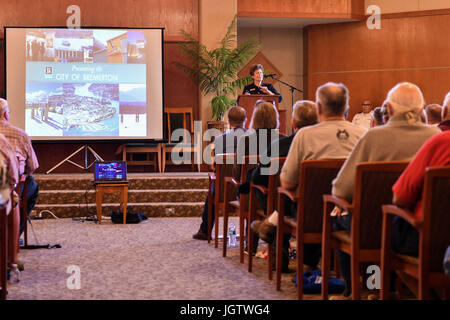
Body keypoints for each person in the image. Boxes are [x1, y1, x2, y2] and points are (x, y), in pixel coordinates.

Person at [331, 82, 441, 299]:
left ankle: (358, 287)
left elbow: (341, 189)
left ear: (388, 110)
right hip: (425, 227)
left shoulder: (373, 138)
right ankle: (385, 285)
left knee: (339, 215)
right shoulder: (435, 137)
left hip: (373, 229)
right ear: (422, 110)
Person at [253, 82, 366, 272]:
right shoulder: (363, 135)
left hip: (311, 215)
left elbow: (287, 182)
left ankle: (276, 232)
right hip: (350, 211)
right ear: (346, 107)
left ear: (319, 108)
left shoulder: (305, 136)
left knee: (289, 194)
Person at [250, 100, 318, 272]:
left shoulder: (279, 145)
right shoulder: (322, 147)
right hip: (319, 204)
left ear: (293, 122)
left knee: (277, 196)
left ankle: (279, 260)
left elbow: (258, 177)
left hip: (281, 202)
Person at [193, 106, 247, 240]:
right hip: (246, 190)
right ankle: (250, 235)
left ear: (229, 121)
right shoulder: (254, 139)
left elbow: (215, 165)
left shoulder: (220, 140)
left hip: (224, 190)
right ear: (245, 120)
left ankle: (205, 231)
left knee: (213, 186)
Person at [236, 101, 281, 255]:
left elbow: (238, 170)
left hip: (252, 194)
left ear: (255, 118)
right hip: (279, 193)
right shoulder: (283, 139)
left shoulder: (246, 140)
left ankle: (251, 245)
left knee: (250, 187)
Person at [0, 98, 40, 238]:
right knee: (31, 185)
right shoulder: (20, 134)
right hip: (11, 188)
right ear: (6, 114)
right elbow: (32, 166)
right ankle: (14, 238)